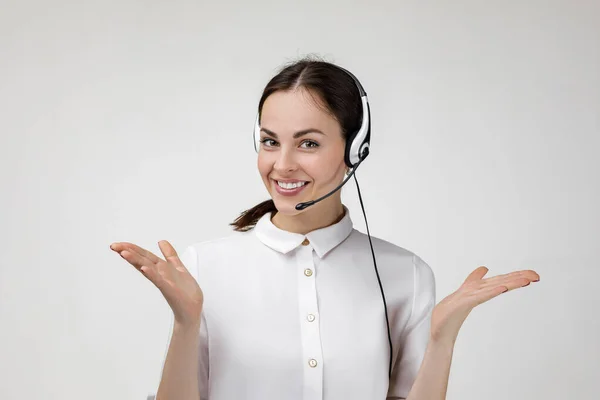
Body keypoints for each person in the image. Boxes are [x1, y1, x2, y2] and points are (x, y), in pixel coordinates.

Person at [110, 57, 540, 400]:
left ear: (356, 148)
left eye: (309, 143)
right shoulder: (202, 266)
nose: (283, 164)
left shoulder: (404, 273)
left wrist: (442, 339)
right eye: (270, 141)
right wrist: (187, 323)